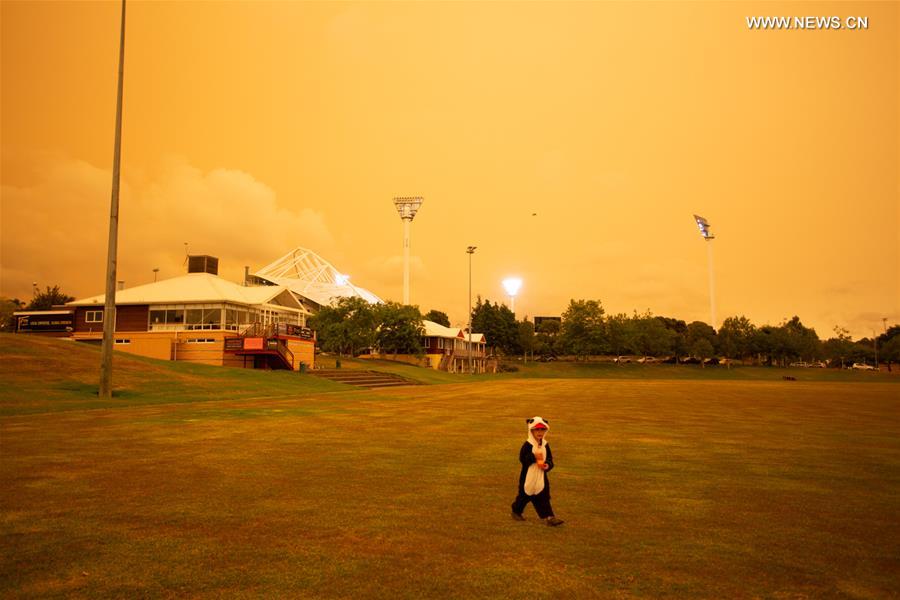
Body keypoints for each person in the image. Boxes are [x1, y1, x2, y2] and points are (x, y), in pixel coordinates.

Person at [511, 416, 564, 526]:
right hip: (528, 477)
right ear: (531, 431)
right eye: (537, 429)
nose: (540, 432)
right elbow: (523, 459)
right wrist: (533, 456)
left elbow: (550, 458)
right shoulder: (528, 445)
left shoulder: (545, 445)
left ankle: (550, 517)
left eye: (542, 429)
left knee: (543, 496)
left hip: (541, 476)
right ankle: (516, 511)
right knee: (524, 496)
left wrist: (547, 465)